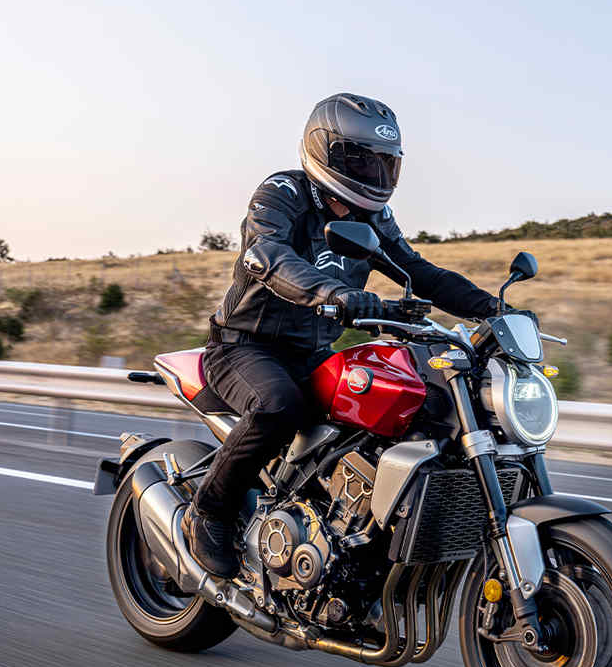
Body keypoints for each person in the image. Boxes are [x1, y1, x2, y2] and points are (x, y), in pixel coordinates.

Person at [184, 92, 503, 579]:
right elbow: (267, 255)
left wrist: (493, 309)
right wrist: (333, 291)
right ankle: (208, 511)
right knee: (278, 406)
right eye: (361, 160)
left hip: (312, 351)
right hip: (245, 348)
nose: (374, 174)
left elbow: (419, 271)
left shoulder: (372, 218)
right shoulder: (281, 194)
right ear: (325, 151)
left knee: (408, 407)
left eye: (383, 163)